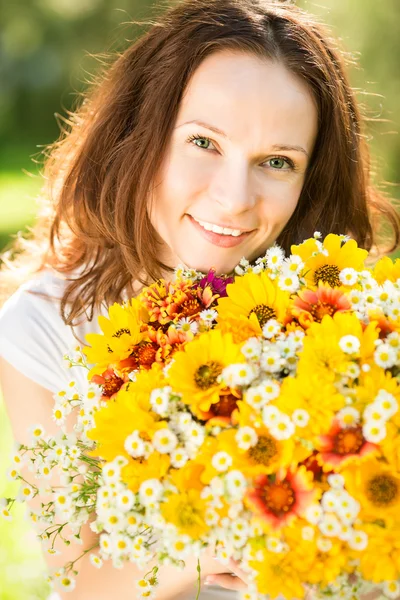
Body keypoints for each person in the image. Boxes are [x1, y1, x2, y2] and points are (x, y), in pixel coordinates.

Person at [0, 0, 399, 598]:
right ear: (140, 132)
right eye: (204, 143)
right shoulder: (46, 326)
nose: (235, 198)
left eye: (276, 162)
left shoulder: (346, 317)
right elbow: (77, 581)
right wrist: (215, 539)